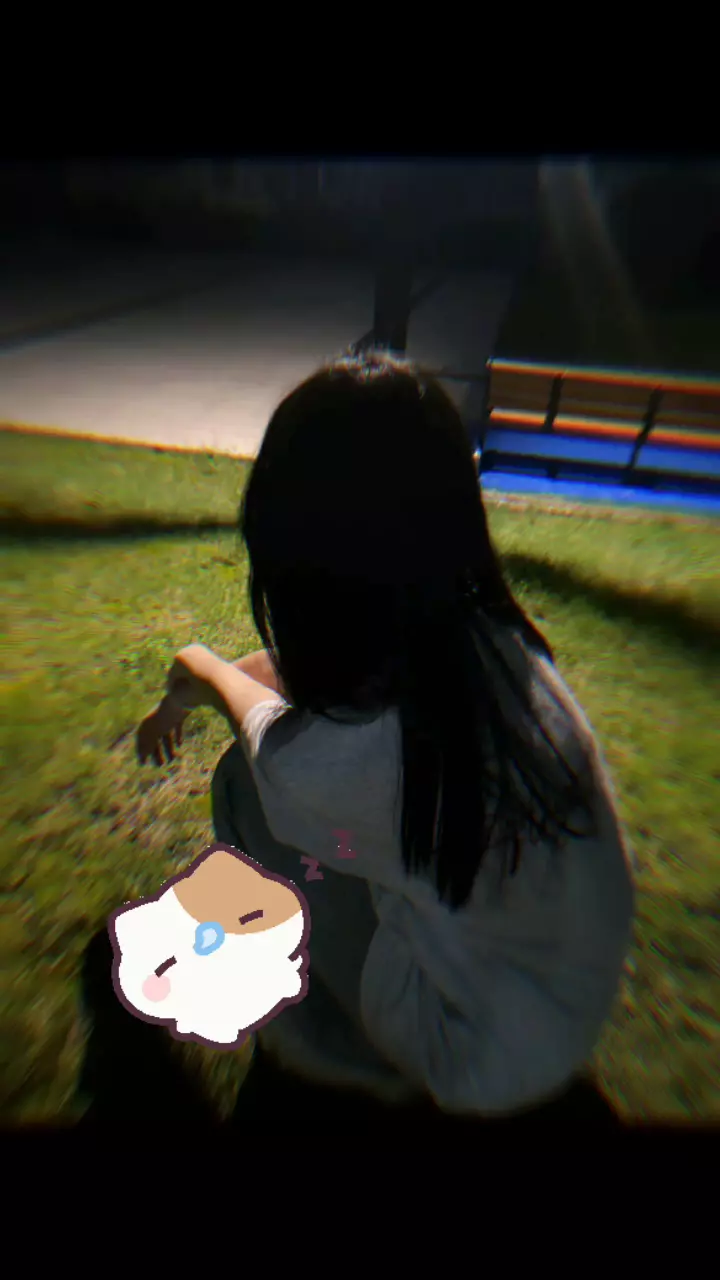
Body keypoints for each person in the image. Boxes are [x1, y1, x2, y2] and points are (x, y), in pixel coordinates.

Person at [136, 348, 636, 1137]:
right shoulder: (494, 643)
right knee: (305, 762)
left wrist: (194, 667)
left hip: (471, 1052)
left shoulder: (344, 770)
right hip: (558, 1000)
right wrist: (223, 679)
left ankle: (326, 1042)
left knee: (246, 784)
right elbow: (286, 673)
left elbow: (253, 715)